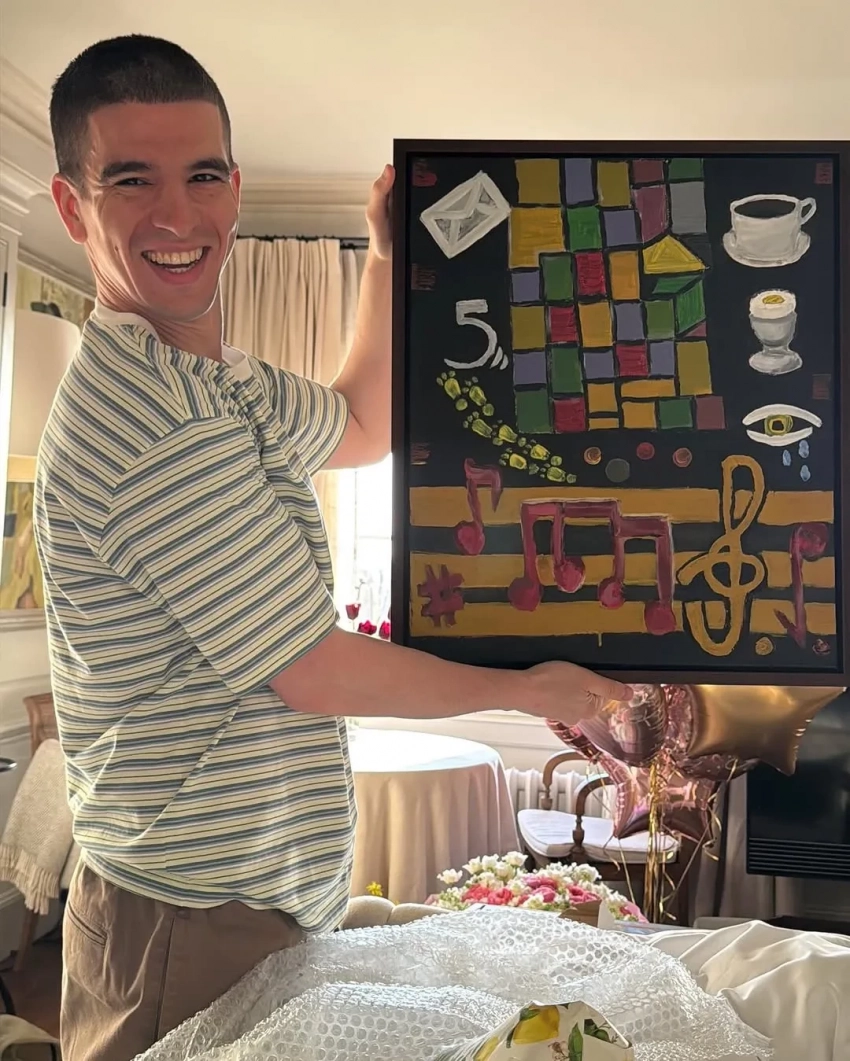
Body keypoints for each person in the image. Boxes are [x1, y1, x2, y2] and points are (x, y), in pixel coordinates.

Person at [35, 34, 632, 1061]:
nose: (177, 215)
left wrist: (389, 257)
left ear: (235, 187)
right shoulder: (147, 421)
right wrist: (529, 687)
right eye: (132, 181)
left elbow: (360, 423)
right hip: (185, 916)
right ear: (72, 207)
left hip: (241, 897)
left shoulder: (221, 383)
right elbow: (311, 667)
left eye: (202, 175)